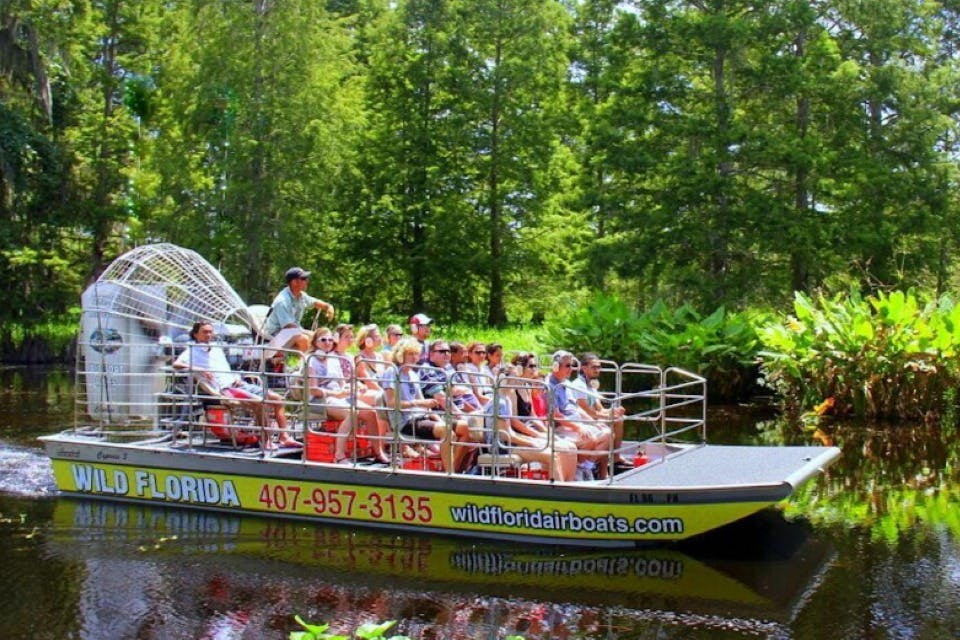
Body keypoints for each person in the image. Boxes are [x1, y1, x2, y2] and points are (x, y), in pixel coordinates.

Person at [174, 321, 299, 448]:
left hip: (237, 383)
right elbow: (177, 364)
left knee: (277, 399)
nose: (208, 335)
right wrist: (199, 369)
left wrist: (236, 377)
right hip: (225, 389)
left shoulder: (216, 348)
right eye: (204, 332)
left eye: (210, 332)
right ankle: (266, 441)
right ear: (196, 334)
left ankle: (284, 436)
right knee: (260, 402)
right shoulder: (192, 351)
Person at [381, 338, 470, 472]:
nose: (414, 357)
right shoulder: (392, 372)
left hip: (421, 418)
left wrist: (434, 416)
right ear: (401, 354)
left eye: (416, 354)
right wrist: (420, 403)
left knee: (465, 427)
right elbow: (392, 403)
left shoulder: (413, 375)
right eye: (410, 354)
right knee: (446, 431)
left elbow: (424, 405)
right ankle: (449, 472)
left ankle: (453, 467)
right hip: (406, 421)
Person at [305, 328, 385, 463]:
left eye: (330, 339)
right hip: (321, 399)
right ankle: (339, 454)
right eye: (323, 339)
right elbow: (314, 390)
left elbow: (342, 384)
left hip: (339, 397)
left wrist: (352, 388)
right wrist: (337, 393)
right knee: (352, 412)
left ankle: (378, 452)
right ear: (315, 342)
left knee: (371, 412)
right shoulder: (311, 360)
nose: (327, 342)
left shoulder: (334, 359)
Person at [500, 353, 577, 481]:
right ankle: (557, 487)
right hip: (520, 437)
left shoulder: (527, 387)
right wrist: (536, 435)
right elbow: (514, 421)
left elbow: (533, 416)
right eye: (532, 366)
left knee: (570, 448)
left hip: (530, 432)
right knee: (558, 450)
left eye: (536, 366)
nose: (535, 370)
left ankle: (568, 483)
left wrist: (548, 433)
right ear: (520, 368)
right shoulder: (512, 391)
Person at [546, 350, 612, 479]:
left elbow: (576, 408)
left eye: (571, 365)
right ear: (555, 366)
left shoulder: (566, 383)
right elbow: (556, 415)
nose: (571, 369)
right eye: (567, 366)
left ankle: (584, 467)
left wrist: (593, 422)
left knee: (607, 433)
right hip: (563, 426)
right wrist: (578, 427)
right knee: (590, 438)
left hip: (575, 422)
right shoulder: (550, 386)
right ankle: (578, 471)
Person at [569, 352, 628, 466]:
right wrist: (607, 416)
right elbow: (585, 410)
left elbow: (599, 408)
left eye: (599, 367)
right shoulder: (579, 385)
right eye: (594, 367)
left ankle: (615, 458)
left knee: (618, 419)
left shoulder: (590, 385)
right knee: (613, 425)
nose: (597, 370)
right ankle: (588, 465)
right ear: (584, 368)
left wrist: (614, 412)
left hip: (592, 418)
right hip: (583, 420)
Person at [263, 267, 335, 354]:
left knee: (321, 338)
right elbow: (288, 326)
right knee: (305, 339)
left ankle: (315, 364)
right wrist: (311, 334)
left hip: (292, 331)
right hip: (275, 334)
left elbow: (315, 302)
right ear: (294, 282)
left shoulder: (301, 295)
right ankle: (305, 365)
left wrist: (328, 307)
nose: (307, 281)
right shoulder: (282, 301)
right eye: (304, 279)